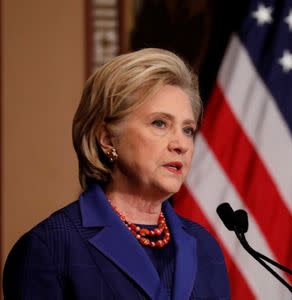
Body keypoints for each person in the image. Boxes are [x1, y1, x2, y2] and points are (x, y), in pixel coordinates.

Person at [3, 48, 230, 300]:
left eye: (187, 129)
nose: (181, 144)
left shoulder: (204, 248)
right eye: (160, 123)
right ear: (108, 139)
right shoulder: (52, 246)